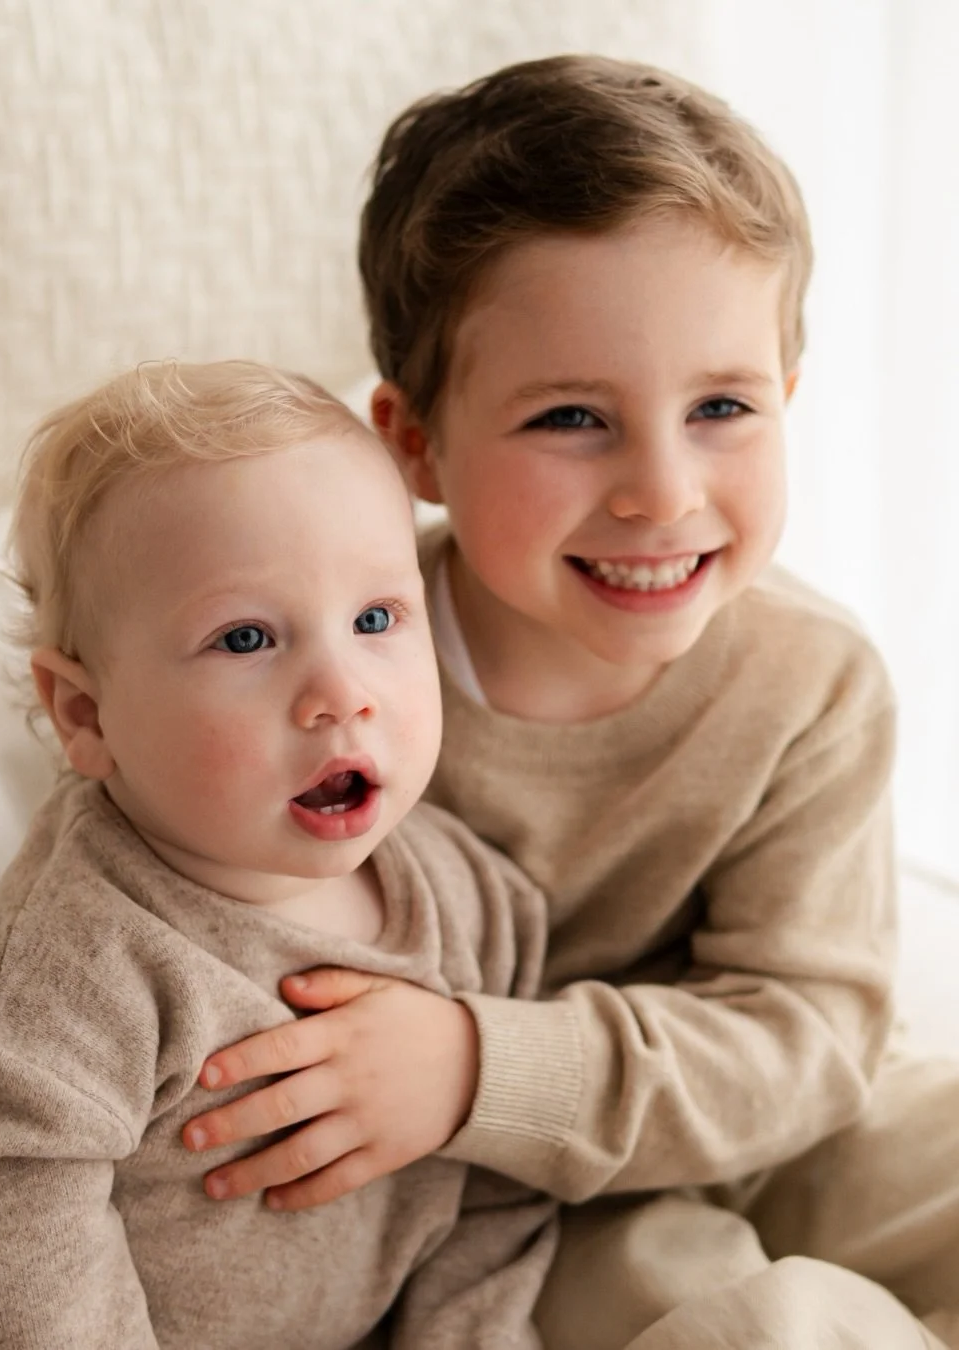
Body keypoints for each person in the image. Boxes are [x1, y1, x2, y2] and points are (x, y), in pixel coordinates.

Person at [177, 57, 959, 1348]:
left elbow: (812, 1035)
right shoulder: (335, 682)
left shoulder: (811, 680)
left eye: (721, 406)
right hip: (513, 1181)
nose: (662, 489)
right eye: (571, 418)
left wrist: (492, 1053)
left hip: (761, 1109)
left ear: (789, 403)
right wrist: (474, 1078)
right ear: (413, 443)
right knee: (749, 1320)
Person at [0, 360, 559, 1349]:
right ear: (87, 713)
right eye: (246, 638)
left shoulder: (476, 902)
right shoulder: (70, 977)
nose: (341, 691)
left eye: (375, 620)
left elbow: (496, 1186)